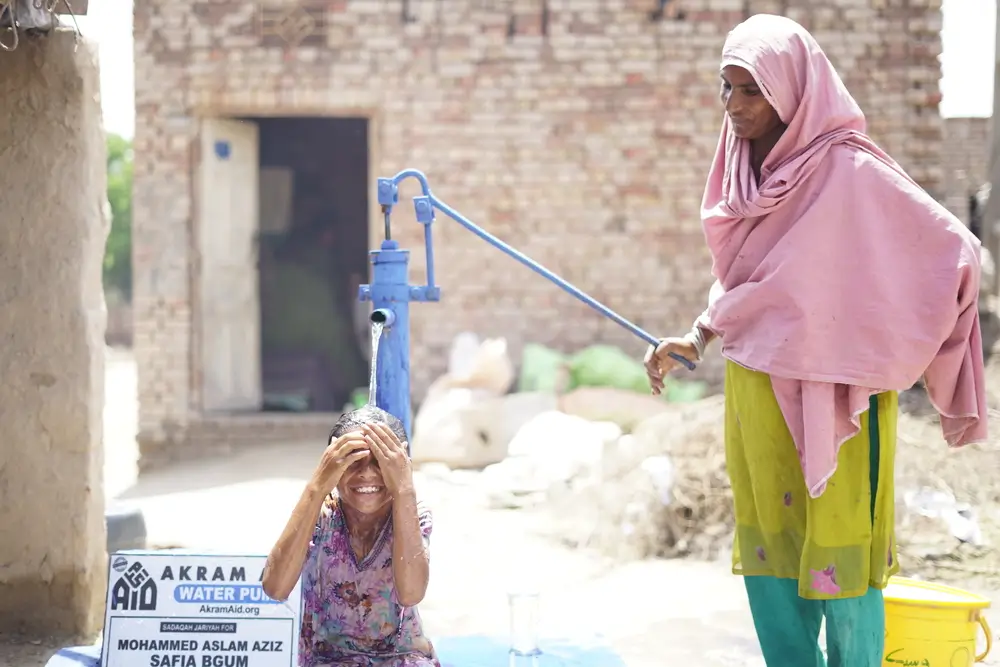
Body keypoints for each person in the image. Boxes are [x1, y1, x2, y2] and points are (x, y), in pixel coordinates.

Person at [643, 15, 987, 667]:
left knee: (843, 556)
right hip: (758, 389)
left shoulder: (849, 171)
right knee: (773, 550)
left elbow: (957, 251)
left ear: (794, 92)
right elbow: (751, 281)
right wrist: (695, 337)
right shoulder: (742, 174)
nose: (735, 107)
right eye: (728, 88)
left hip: (840, 394)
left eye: (752, 91)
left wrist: (881, 332)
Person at [262, 406, 438, 667]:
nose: (367, 474)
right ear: (332, 465)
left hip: (400, 657)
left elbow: (411, 593)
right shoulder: (320, 513)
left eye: (380, 463)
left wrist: (404, 489)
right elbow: (275, 587)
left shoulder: (411, 513)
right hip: (328, 658)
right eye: (354, 461)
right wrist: (317, 486)